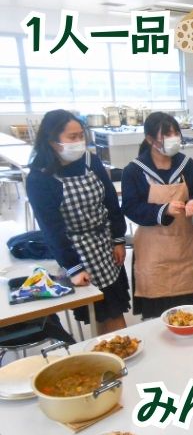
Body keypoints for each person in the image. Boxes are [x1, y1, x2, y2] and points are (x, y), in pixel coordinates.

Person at [26, 110, 129, 335]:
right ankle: (110, 349)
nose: (79, 142)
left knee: (113, 307)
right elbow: (51, 229)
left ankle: (115, 347)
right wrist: (73, 267)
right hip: (75, 248)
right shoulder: (40, 177)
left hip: (104, 243)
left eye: (81, 135)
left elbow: (111, 202)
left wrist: (118, 239)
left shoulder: (90, 161)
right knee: (100, 311)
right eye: (72, 137)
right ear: (52, 141)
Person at [121, 112, 193, 319]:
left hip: (186, 250)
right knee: (159, 318)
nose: (173, 139)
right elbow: (131, 208)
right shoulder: (134, 171)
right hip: (153, 254)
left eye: (176, 133)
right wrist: (163, 210)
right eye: (166, 135)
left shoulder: (189, 166)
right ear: (150, 139)